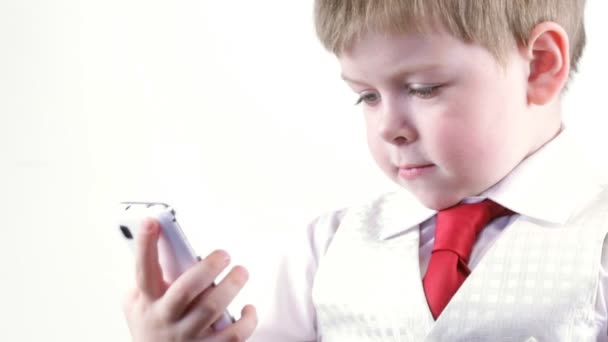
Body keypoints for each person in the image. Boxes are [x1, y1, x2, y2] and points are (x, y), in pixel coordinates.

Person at [122, 0, 608, 341]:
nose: (388, 128)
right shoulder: (327, 247)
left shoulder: (599, 245)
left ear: (540, 65)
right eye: (367, 96)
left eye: (423, 89)